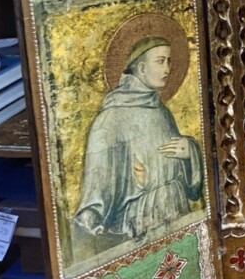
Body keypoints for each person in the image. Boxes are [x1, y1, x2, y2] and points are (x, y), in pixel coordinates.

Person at [75, 36, 203, 240]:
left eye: (169, 61)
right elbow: (96, 188)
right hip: (141, 219)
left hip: (176, 207)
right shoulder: (111, 118)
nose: (167, 69)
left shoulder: (161, 111)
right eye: (160, 61)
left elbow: (192, 187)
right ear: (142, 68)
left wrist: (190, 151)